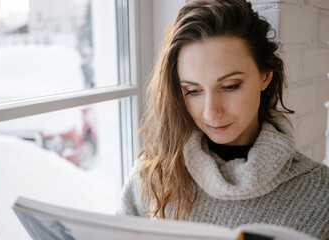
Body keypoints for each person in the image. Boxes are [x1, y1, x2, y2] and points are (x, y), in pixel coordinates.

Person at [116, 0, 329, 239]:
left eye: (229, 86)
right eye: (193, 91)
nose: (210, 113)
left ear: (265, 76)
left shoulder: (321, 195)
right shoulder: (153, 175)